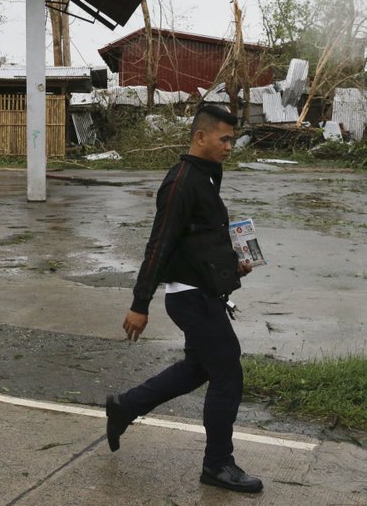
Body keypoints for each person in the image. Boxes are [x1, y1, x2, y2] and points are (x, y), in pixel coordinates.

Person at [105, 104, 263, 494]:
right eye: (224, 139)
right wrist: (140, 304)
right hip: (190, 298)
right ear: (201, 137)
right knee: (228, 373)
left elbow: (200, 240)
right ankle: (217, 464)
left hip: (204, 291)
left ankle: (126, 406)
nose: (230, 146)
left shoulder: (207, 178)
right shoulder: (180, 182)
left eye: (232, 139)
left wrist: (232, 265)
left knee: (198, 368)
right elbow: (160, 244)